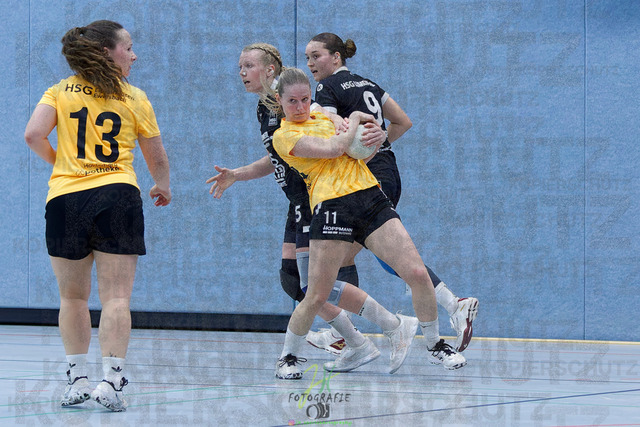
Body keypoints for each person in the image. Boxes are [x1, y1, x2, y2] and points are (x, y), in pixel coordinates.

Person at [206, 44, 419, 376]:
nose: (242, 73)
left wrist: (355, 126)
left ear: (270, 71)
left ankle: (379, 331)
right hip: (297, 201)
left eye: (248, 65)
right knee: (297, 281)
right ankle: (364, 340)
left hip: (317, 200)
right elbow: (279, 155)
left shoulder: (299, 107)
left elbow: (328, 136)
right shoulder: (265, 109)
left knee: (315, 286)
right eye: (240, 67)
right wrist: (239, 174)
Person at [271, 67, 466, 380]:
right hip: (332, 206)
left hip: (370, 197)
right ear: (280, 101)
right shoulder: (284, 136)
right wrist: (356, 119)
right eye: (292, 101)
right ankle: (288, 357)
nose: (300, 106)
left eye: (305, 99)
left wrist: (376, 134)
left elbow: (362, 141)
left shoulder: (324, 116)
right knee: (317, 294)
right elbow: (335, 149)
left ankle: (435, 345)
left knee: (417, 273)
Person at [24, 20, 171, 411]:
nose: (134, 55)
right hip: (117, 195)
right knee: (116, 297)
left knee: (72, 297)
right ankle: (111, 381)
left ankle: (77, 380)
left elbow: (32, 135)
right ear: (108, 51)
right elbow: (156, 155)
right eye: (129, 47)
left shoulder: (59, 90)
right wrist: (162, 185)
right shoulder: (133, 96)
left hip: (65, 200)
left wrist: (63, 166)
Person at [305, 33, 479, 352]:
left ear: (336, 57)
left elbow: (327, 126)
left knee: (377, 255)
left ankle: (454, 305)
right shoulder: (369, 85)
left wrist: (358, 149)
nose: (310, 63)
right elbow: (403, 122)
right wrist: (379, 141)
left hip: (367, 177)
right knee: (347, 256)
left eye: (316, 56)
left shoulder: (326, 87)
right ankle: (343, 331)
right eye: (307, 58)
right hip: (388, 170)